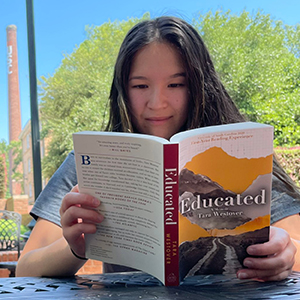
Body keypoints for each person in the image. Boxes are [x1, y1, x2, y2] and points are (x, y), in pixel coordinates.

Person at [16, 16, 300, 281]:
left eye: (175, 84)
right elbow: (25, 269)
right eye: (140, 86)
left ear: (200, 86)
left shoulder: (243, 154)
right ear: (122, 92)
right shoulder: (86, 162)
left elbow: (293, 242)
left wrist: (286, 251)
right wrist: (78, 248)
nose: (157, 102)